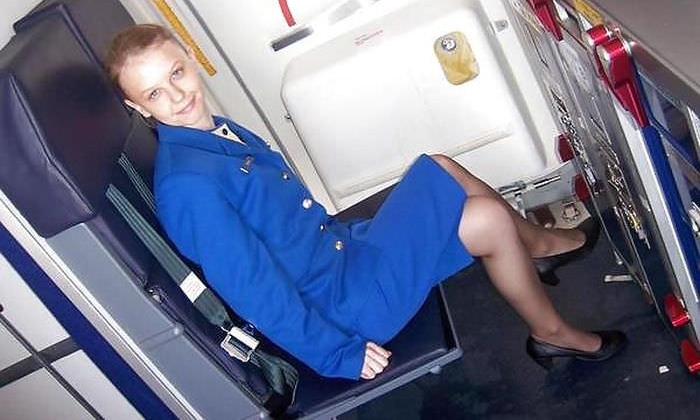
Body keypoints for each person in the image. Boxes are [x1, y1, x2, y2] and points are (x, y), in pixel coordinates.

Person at [105, 24, 626, 380]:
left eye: (176, 73)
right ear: (137, 107)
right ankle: (550, 320)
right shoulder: (187, 185)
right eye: (154, 94)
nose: (176, 96)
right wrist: (338, 354)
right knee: (487, 218)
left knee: (441, 168)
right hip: (343, 306)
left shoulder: (216, 133)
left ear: (190, 58)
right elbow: (254, 292)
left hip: (345, 253)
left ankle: (538, 252)